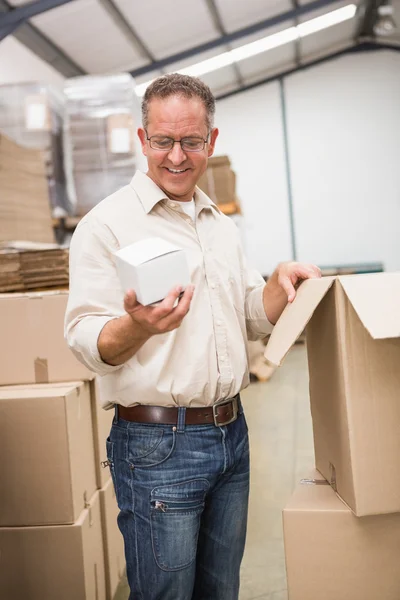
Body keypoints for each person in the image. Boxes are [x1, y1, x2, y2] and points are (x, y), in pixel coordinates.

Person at [65, 73, 321, 600]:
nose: (177, 156)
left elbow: (248, 313)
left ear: (212, 141)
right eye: (163, 141)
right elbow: (85, 339)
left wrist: (278, 286)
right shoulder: (105, 227)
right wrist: (138, 326)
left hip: (232, 434)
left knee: (220, 590)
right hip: (159, 446)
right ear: (143, 140)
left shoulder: (218, 225)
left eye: (191, 142)